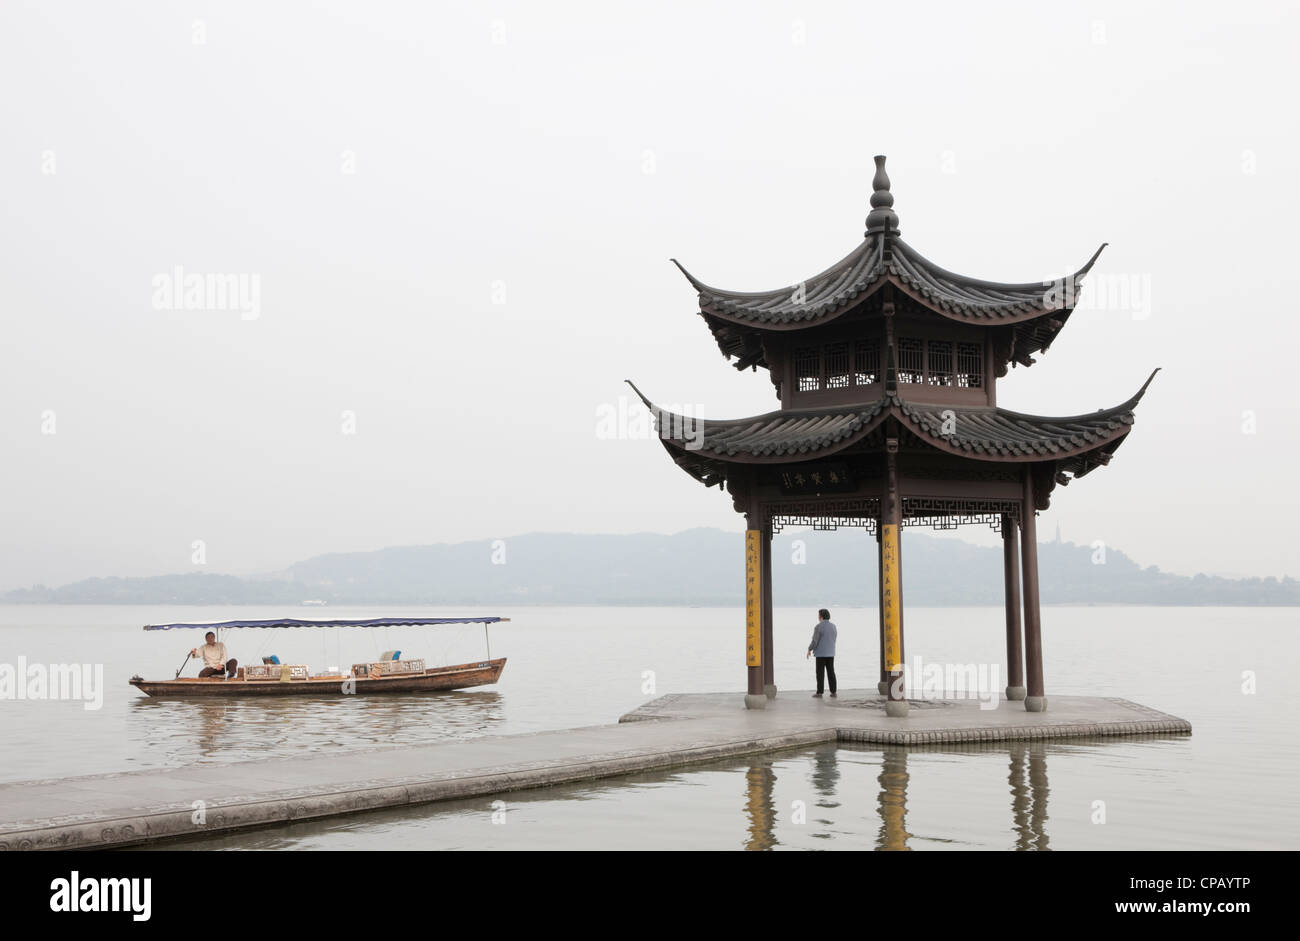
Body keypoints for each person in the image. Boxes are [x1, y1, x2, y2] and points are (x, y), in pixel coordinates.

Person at [806, 608, 837, 698]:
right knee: (831, 672)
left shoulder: (818, 627)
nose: (818, 616)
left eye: (818, 615)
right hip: (831, 652)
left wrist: (809, 649)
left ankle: (820, 692)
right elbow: (834, 638)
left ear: (821, 616)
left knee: (820, 673)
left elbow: (815, 641)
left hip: (821, 654)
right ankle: (833, 692)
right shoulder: (833, 626)